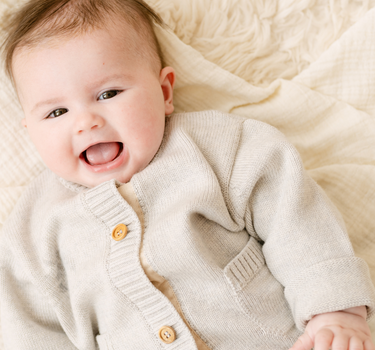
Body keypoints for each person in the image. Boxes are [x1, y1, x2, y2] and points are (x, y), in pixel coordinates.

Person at [0, 0, 375, 349]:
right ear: (30, 130)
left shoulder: (218, 148)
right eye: (55, 113)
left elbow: (296, 218)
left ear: (164, 92)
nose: (86, 122)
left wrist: (336, 310)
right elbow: (27, 324)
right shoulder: (33, 228)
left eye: (108, 93)